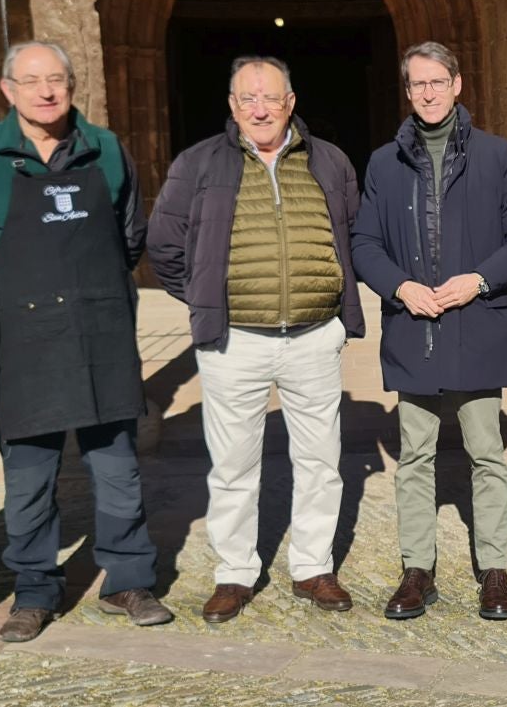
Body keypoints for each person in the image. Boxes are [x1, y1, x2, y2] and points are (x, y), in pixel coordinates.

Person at [0, 40, 173, 643]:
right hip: (21, 334)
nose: (46, 92)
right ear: (8, 90)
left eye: (56, 79)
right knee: (29, 475)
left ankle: (129, 581)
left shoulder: (105, 148)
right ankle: (33, 591)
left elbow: (131, 234)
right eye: (31, 82)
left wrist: (95, 294)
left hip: (99, 330)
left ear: (72, 86)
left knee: (117, 466)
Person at [146, 55, 366, 623]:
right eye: (248, 98)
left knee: (321, 461)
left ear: (292, 102)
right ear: (232, 106)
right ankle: (235, 573)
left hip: (315, 336)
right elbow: (165, 247)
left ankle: (313, 567)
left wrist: (338, 314)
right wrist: (206, 300)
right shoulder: (198, 164)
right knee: (233, 466)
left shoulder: (330, 160)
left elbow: (353, 232)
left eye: (271, 97)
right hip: (234, 341)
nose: (261, 108)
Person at [349, 42, 507, 621]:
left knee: (486, 453)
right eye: (417, 85)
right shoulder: (384, 163)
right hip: (415, 327)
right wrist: (400, 287)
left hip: (476, 323)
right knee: (415, 457)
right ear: (407, 92)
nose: (428, 93)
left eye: (438, 82)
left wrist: (479, 280)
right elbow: (364, 243)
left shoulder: (496, 156)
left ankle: (495, 570)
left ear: (458, 84)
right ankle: (417, 570)